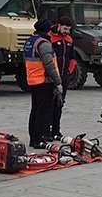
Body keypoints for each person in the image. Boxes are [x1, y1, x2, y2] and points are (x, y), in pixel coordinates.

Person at [23, 18, 64, 149]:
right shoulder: (43, 43)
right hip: (44, 81)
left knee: (35, 110)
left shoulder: (30, 41)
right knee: (42, 112)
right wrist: (57, 81)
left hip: (33, 80)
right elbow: (49, 64)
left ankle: (33, 139)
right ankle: (39, 139)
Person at [48, 16, 76, 140]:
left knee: (59, 104)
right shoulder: (50, 38)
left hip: (64, 76)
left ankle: (56, 130)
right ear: (58, 26)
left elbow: (73, 58)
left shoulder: (69, 40)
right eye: (65, 29)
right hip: (53, 76)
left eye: (69, 29)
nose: (67, 32)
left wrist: (69, 71)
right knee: (50, 104)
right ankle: (47, 129)